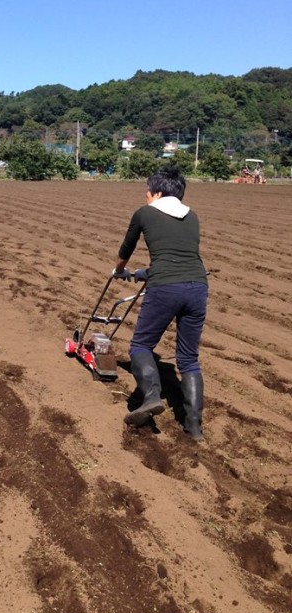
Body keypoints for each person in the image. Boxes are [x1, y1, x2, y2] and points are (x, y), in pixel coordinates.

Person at [112, 166, 208, 440]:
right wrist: (143, 273)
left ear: (157, 192)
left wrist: (120, 270)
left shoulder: (145, 213)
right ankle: (193, 426)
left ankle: (152, 397)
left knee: (141, 345)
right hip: (198, 287)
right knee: (189, 359)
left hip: (165, 287)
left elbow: (125, 250)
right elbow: (177, 257)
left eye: (147, 191)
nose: (145, 196)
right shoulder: (193, 217)